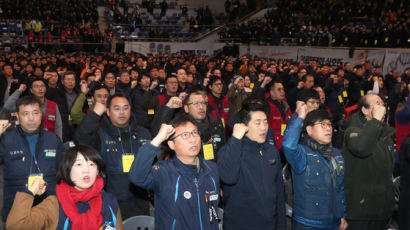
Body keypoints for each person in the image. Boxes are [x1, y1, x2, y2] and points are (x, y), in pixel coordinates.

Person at [129, 115, 220, 230]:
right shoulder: (164, 171)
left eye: (195, 133)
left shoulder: (211, 169)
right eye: (185, 135)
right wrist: (158, 139)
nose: (193, 139)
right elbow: (137, 176)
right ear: (172, 145)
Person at [6, 145, 124, 230]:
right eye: (79, 164)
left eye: (91, 164)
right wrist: (30, 192)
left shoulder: (109, 201)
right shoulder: (54, 204)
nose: (86, 170)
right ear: (68, 170)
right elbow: (15, 225)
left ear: (98, 171)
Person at [74, 93, 151, 219]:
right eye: (116, 108)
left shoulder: (143, 133)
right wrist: (94, 115)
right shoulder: (100, 134)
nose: (122, 112)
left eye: (126, 108)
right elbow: (80, 139)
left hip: (140, 199)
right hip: (111, 199)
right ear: (108, 112)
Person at [217, 102, 285, 230]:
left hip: (269, 224)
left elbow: (279, 194)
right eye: (258, 123)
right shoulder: (229, 150)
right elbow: (228, 177)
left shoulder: (272, 151)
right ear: (244, 126)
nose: (263, 127)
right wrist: (236, 139)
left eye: (265, 122)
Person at [0, 96, 65, 222]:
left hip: (48, 206)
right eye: (25, 113)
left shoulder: (53, 139)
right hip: (16, 206)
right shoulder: (6, 139)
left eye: (35, 113)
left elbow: (63, 171)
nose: (31, 118)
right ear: (17, 117)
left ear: (42, 114)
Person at [282, 106, 347, 230]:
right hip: (308, 224)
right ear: (309, 130)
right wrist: (300, 117)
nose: (328, 128)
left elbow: (340, 188)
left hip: (333, 222)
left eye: (329, 124)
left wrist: (342, 215)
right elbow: (288, 145)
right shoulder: (302, 154)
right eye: (322, 124)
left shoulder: (336, 154)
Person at [342, 95, 396, 230]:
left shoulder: (386, 134)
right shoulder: (353, 130)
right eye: (377, 104)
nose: (382, 108)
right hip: (361, 211)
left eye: (383, 104)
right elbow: (361, 148)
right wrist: (376, 120)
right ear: (365, 110)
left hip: (382, 210)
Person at [151, 85, 226, 161]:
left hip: (212, 169)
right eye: (196, 103)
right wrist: (168, 108)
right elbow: (156, 133)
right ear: (186, 108)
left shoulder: (215, 124)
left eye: (203, 103)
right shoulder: (180, 126)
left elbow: (223, 150)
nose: (201, 107)